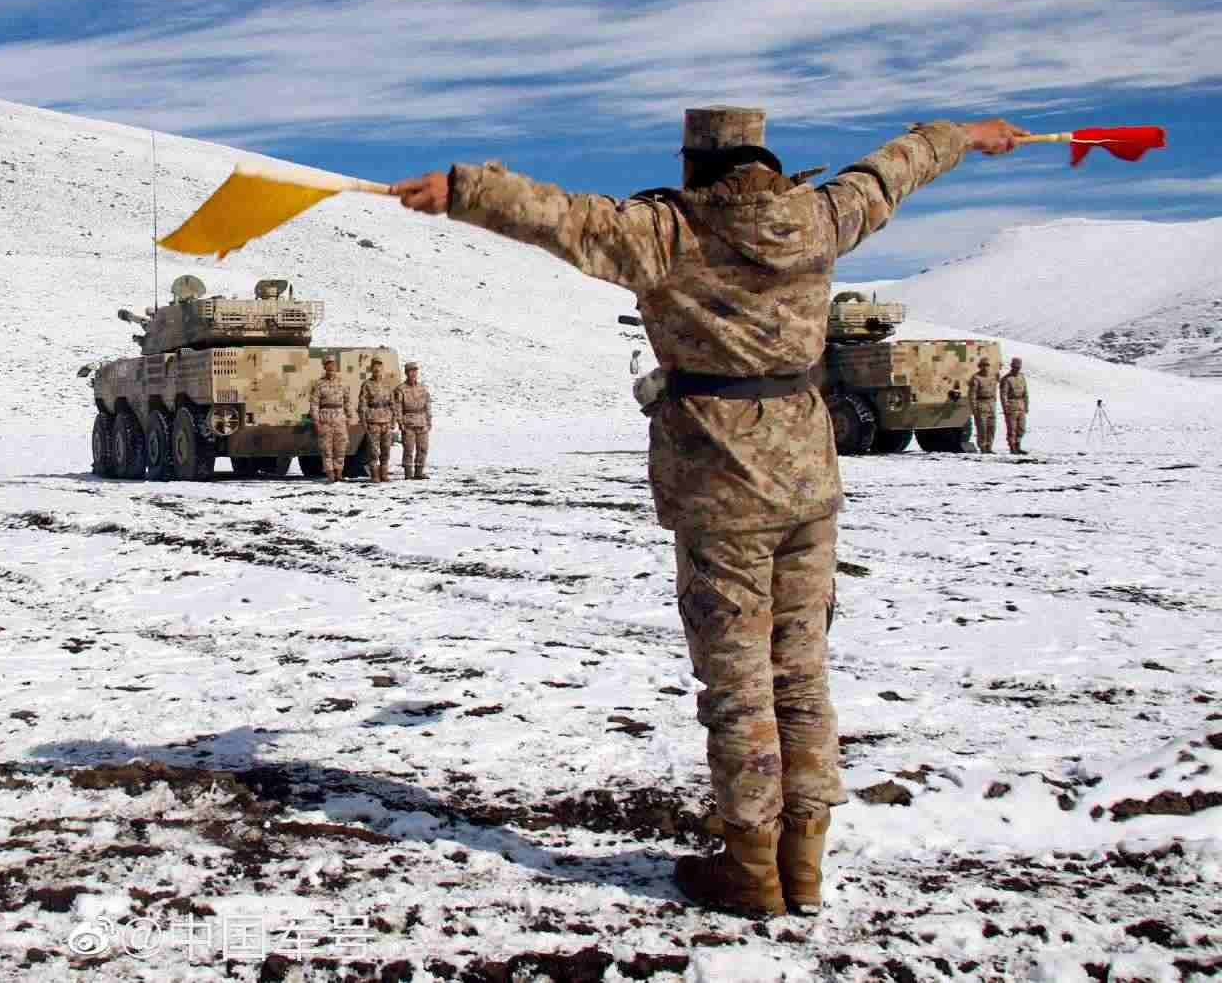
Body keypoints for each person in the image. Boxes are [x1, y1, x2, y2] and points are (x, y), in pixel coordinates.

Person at [391, 106, 1024, 917]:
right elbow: (891, 170)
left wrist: (463, 189)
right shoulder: (820, 218)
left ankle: (752, 865)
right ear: (765, 160)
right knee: (801, 672)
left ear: (695, 165)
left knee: (739, 683)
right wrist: (965, 135)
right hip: (808, 481)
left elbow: (559, 216)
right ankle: (803, 861)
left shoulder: (667, 233)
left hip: (721, 484)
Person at [310, 355, 356, 482]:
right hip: (325, 419)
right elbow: (314, 404)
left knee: (341, 448)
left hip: (340, 418)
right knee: (326, 449)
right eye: (328, 364)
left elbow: (347, 402)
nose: (331, 367)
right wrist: (316, 422)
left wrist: (350, 417)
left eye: (333, 364)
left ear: (336, 366)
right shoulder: (318, 384)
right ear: (324, 367)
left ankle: (339, 473)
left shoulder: (343, 383)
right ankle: (330, 474)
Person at [358, 358, 399, 482]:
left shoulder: (387, 385)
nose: (377, 369)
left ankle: (384, 474)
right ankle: (375, 475)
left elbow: (393, 403)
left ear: (382, 369)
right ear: (372, 369)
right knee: (373, 451)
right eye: (375, 367)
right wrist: (363, 420)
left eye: (379, 366)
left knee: (386, 450)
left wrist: (394, 420)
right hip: (373, 421)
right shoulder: (367, 385)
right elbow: (363, 404)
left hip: (386, 421)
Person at [392, 361, 433, 480]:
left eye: (415, 371)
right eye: (411, 371)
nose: (413, 373)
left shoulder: (422, 388)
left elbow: (427, 405)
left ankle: (419, 472)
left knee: (423, 448)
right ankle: (408, 473)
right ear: (406, 373)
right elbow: (398, 407)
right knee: (408, 449)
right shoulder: (400, 389)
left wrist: (429, 420)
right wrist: (400, 423)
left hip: (422, 422)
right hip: (408, 423)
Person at [999, 357, 1029, 453]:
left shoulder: (1021, 377)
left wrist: (1026, 405)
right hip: (1011, 405)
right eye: (1015, 367)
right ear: (1012, 366)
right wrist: (1005, 407)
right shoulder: (1007, 379)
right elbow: (1003, 395)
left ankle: (1018, 445)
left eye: (1018, 367)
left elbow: (1025, 393)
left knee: (1021, 428)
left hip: (1021, 405)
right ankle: (1012, 447)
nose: (1017, 369)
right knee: (1012, 428)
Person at [969, 358, 999, 453]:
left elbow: (994, 389)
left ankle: (989, 447)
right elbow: (972, 394)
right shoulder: (976, 378)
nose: (986, 367)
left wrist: (994, 401)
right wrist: (974, 408)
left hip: (991, 404)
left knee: (992, 427)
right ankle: (983, 447)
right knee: (982, 428)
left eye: (987, 365)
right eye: (984, 365)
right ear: (980, 366)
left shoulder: (992, 376)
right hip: (981, 404)